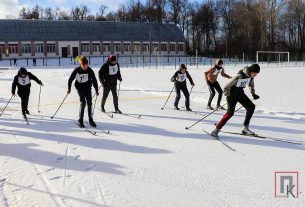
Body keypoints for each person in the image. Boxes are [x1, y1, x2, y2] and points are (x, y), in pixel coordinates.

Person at [211, 64, 261, 137]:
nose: (256, 75)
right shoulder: (239, 76)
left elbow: (251, 85)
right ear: (251, 71)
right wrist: (228, 95)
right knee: (230, 113)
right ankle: (216, 130)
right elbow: (226, 86)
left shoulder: (250, 77)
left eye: (257, 73)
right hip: (232, 95)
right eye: (255, 73)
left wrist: (253, 94)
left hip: (240, 93)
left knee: (251, 107)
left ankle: (245, 128)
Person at [67, 56, 99, 128]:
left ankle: (90, 120)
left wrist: (96, 90)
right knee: (83, 102)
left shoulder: (90, 71)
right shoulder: (77, 70)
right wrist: (69, 89)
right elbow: (70, 79)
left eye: (86, 65)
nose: (85, 67)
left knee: (90, 102)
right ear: (81, 65)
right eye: (83, 66)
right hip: (79, 88)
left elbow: (94, 81)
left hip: (87, 87)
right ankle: (80, 120)